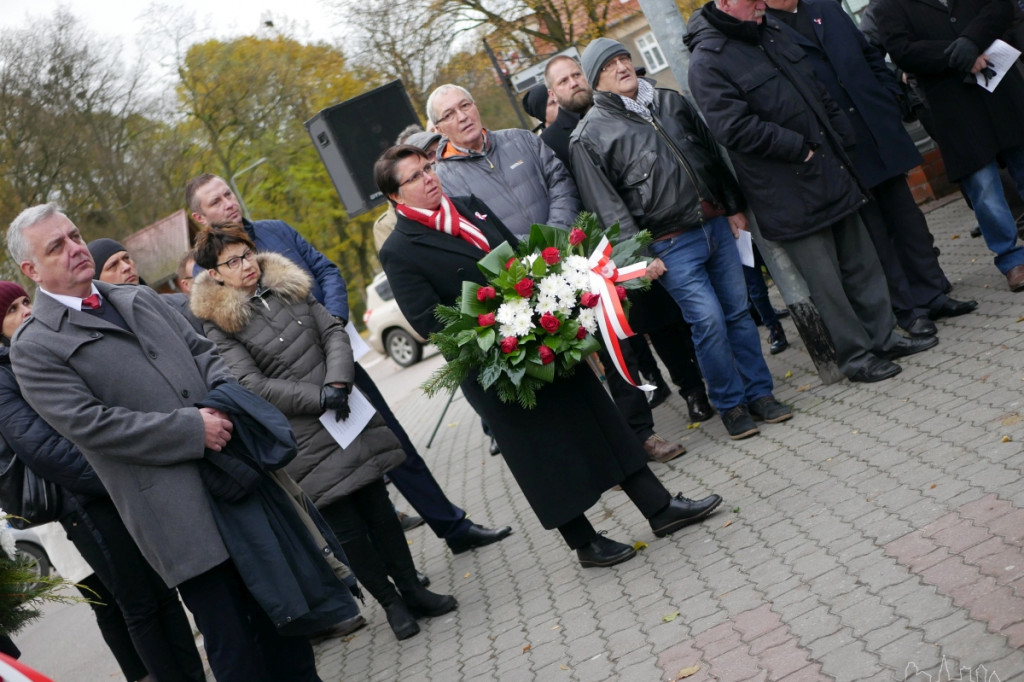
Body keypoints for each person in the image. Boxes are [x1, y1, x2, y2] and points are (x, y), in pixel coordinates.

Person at [7, 204, 328, 682]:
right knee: (235, 642)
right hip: (177, 514)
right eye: (57, 246)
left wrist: (221, 404)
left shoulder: (135, 298)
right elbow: (92, 425)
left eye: (74, 235)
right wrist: (190, 429)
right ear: (31, 270)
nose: (75, 248)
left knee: (287, 618)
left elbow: (204, 350)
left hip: (233, 477)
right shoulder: (33, 348)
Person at [374, 144, 724, 568]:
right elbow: (432, 322)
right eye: (415, 176)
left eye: (428, 167)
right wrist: (503, 326)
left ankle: (660, 507)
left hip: (547, 339)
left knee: (602, 423)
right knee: (543, 456)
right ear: (395, 196)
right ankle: (585, 543)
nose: (429, 177)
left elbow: (521, 260)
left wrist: (544, 303)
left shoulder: (469, 206)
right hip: (499, 365)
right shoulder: (399, 248)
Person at [185, 173, 513, 556]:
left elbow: (326, 270)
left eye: (228, 192)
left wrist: (335, 325)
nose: (228, 202)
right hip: (298, 397)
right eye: (215, 201)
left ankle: (454, 528)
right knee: (345, 479)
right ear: (200, 218)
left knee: (394, 443)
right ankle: (396, 575)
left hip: (339, 361)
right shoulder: (207, 279)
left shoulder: (276, 230)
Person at [189, 228, 457, 641]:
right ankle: (392, 605)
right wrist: (319, 397)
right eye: (233, 261)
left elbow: (332, 331)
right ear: (215, 274)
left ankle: (414, 590)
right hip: (303, 436)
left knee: (381, 511)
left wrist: (338, 383)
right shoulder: (218, 326)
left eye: (248, 254)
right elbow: (252, 385)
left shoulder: (288, 286)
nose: (246, 265)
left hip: (345, 410)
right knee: (348, 529)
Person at [685, 1, 938, 383]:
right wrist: (796, 146)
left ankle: (883, 338)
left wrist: (840, 137)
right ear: (724, 3)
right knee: (827, 282)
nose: (760, 4)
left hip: (829, 167)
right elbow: (732, 128)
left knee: (861, 262)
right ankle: (855, 357)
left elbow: (815, 88)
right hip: (789, 190)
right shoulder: (708, 61)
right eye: (751, 0)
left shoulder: (769, 31)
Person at [570, 38, 792, 439]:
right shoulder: (590, 135)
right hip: (669, 245)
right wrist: (638, 256)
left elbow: (711, 154)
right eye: (609, 65)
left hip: (717, 227)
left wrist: (733, 204)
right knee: (707, 321)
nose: (622, 67)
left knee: (738, 313)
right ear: (595, 80)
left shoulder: (670, 101)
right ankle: (730, 406)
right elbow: (608, 206)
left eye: (624, 58)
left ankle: (760, 395)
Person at [1, 282, 205, 682]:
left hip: (108, 490)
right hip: (84, 504)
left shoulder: (31, 353)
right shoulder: (5, 374)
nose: (25, 311)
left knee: (164, 591)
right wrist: (114, 475)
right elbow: (43, 449)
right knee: (138, 605)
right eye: (11, 310)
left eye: (26, 301)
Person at [764, 0, 977, 334]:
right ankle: (907, 309)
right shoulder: (767, 30)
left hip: (875, 125)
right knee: (876, 233)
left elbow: (868, 54)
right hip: (837, 143)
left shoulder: (825, 8)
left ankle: (933, 292)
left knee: (908, 220)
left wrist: (889, 95)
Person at [544, 54, 716, 422]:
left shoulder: (623, 109)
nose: (573, 82)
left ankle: (710, 376)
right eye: (563, 80)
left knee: (689, 314)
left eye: (577, 74)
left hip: (656, 227)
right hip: (606, 247)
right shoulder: (553, 140)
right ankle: (692, 390)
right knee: (656, 320)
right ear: (553, 92)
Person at [873, 0, 1024, 292]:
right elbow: (902, 50)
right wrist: (957, 53)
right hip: (955, 105)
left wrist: (972, 41)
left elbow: (999, 7)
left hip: (1002, 89)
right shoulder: (886, 5)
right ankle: (1012, 260)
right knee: (984, 190)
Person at [429, 83, 580, 238]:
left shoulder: (522, 139)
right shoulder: (444, 183)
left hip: (573, 245)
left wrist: (556, 232)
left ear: (476, 106)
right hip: (519, 260)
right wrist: (533, 250)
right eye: (449, 115)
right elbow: (475, 234)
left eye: (465, 105)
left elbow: (560, 182)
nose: (462, 117)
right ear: (439, 129)